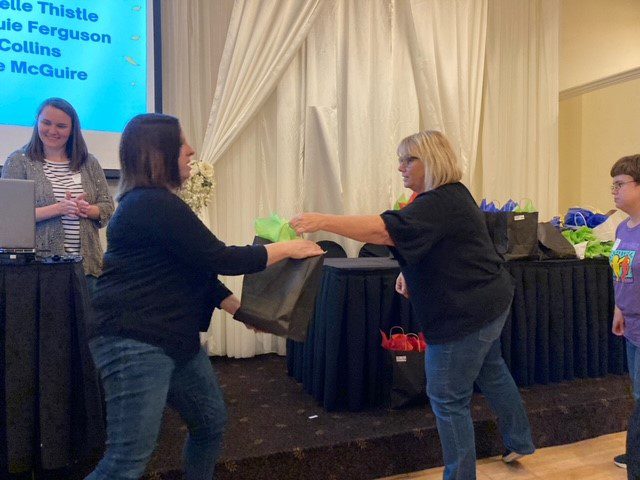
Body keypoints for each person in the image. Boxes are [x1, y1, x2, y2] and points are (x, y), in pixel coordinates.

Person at [84, 113, 323, 480]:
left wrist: (244, 313)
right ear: (158, 153)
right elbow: (220, 259)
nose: (192, 150)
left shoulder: (154, 204)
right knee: (126, 461)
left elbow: (197, 271)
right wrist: (287, 248)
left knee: (210, 424)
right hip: (135, 340)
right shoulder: (150, 203)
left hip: (172, 337)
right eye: (183, 143)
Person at [290, 130, 535, 480]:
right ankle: (521, 441)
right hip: (490, 300)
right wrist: (410, 271)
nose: (401, 168)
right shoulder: (450, 196)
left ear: (432, 161)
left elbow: (385, 231)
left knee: (448, 398)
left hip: (465, 313)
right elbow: (445, 246)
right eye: (400, 160)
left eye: (409, 160)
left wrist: (323, 221)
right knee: (491, 368)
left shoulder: (439, 201)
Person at [1, 98, 115, 288]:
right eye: (46, 123)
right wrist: (59, 208)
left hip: (87, 269)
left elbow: (107, 207)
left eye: (61, 126)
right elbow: (10, 217)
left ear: (72, 130)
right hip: (40, 268)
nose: (52, 131)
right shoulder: (18, 161)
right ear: (37, 121)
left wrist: (86, 209)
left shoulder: (89, 162)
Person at [609, 154, 640, 473]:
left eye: (620, 184)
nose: (614, 191)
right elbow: (622, 274)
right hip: (630, 324)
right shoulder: (622, 227)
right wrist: (619, 307)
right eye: (612, 185)